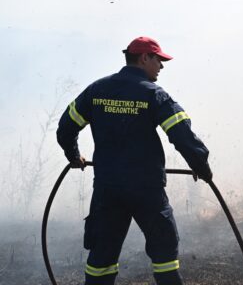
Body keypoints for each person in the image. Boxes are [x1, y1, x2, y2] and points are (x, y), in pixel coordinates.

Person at [57, 36, 213, 285]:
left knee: (101, 260)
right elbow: (181, 133)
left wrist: (73, 156)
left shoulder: (97, 90)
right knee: (165, 254)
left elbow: (66, 127)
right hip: (146, 190)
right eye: (158, 60)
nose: (161, 66)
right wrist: (201, 166)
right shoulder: (154, 94)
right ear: (144, 58)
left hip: (108, 189)